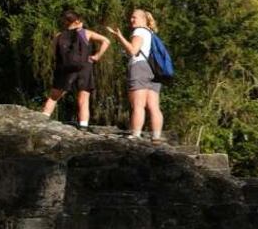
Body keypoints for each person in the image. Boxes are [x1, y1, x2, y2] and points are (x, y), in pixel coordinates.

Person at [41, 10, 111, 129]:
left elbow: (53, 52)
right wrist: (97, 56)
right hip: (84, 67)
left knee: (54, 97)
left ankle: (42, 120)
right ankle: (83, 126)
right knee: (83, 98)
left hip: (64, 68)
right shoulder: (86, 33)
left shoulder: (58, 36)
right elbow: (106, 41)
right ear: (77, 21)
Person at [108, 9, 165, 144]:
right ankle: (156, 136)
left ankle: (136, 134)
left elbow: (133, 51)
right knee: (154, 106)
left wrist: (119, 37)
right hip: (154, 70)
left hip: (140, 67)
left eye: (134, 17)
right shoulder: (151, 33)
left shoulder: (139, 31)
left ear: (143, 20)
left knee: (138, 104)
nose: (131, 20)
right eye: (131, 18)